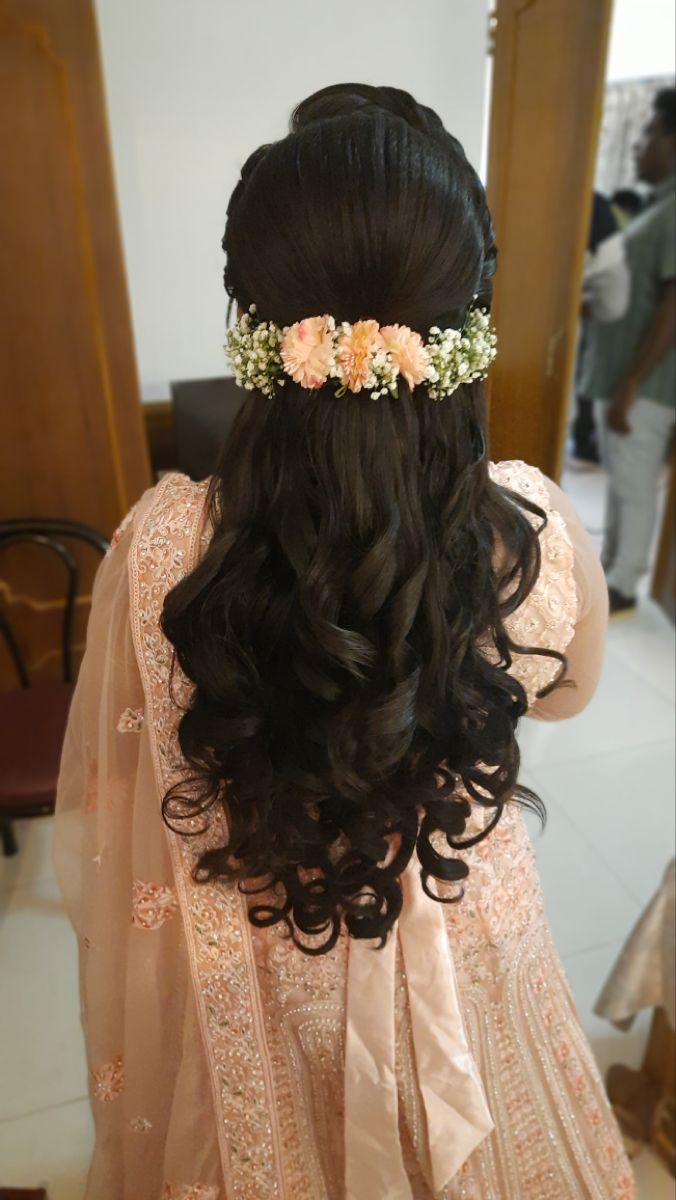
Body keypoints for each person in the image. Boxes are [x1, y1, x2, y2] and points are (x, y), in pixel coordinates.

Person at [54, 84, 634, 1199]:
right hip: (463, 939)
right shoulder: (527, 531)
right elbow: (563, 698)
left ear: (257, 322)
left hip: (257, 962)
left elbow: (124, 779)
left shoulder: (162, 542)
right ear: (465, 323)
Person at [579, 87, 676, 616]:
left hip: (645, 384)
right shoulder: (656, 208)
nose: (638, 146)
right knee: (621, 479)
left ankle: (625, 580)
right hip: (620, 376)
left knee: (635, 485)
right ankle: (614, 565)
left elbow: (672, 304)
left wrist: (634, 381)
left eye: (648, 135)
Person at [572, 193, 630, 463]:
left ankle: (587, 442)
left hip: (610, 318)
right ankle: (586, 441)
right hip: (604, 312)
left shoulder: (593, 210)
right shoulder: (600, 209)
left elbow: (613, 304)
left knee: (591, 380)